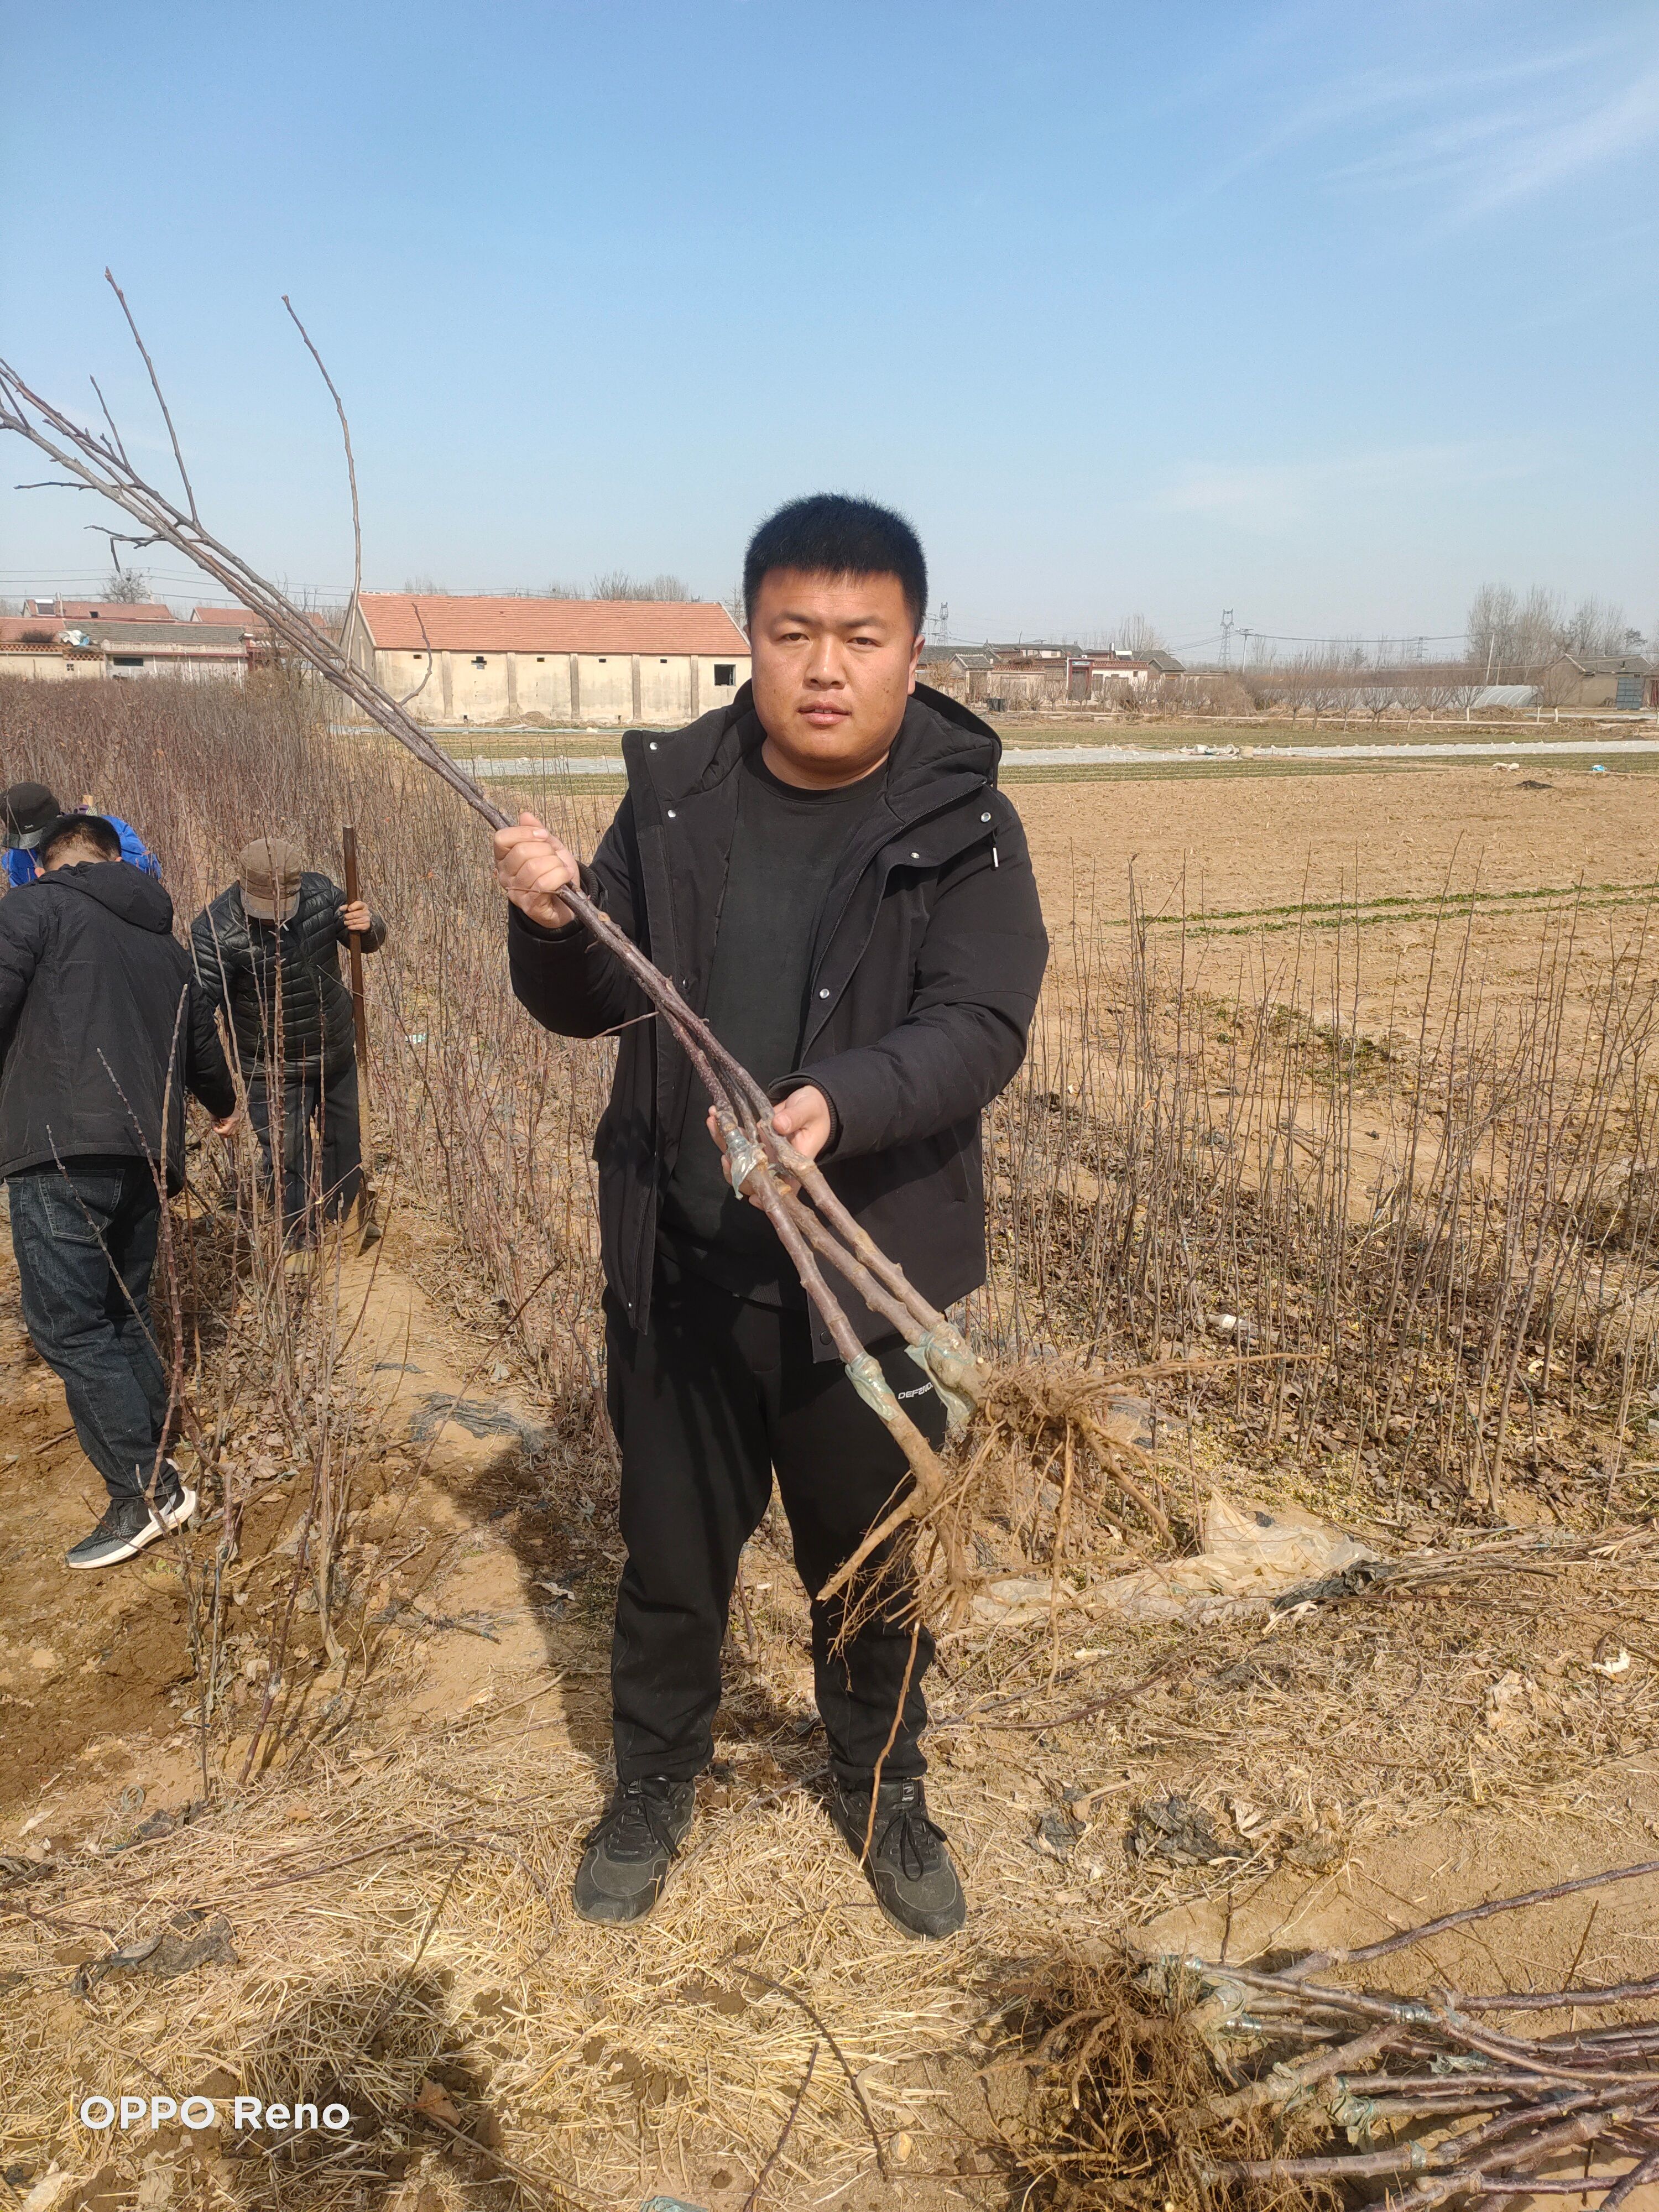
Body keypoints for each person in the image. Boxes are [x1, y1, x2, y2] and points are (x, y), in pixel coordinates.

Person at [496, 495, 1048, 1938]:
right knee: (672, 1576)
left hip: (868, 1289)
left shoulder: (965, 822)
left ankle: (885, 1804)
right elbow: (587, 1000)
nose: (824, 665)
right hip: (682, 1280)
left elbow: (983, 1024)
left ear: (913, 648)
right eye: (793, 632)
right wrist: (551, 922)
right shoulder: (674, 796)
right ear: (751, 637)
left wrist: (834, 1104)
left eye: (860, 638)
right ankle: (649, 1794)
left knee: (870, 1582)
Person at [0, 812, 237, 1569]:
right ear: (114, 859)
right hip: (146, 1151)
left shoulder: (34, 907)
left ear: (47, 864)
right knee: (121, 1311)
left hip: (60, 1148)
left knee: (70, 1327)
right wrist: (225, 1104)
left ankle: (146, 1492)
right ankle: (160, 1445)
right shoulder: (163, 943)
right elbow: (199, 1040)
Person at [190, 838, 385, 1241]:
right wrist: (212, 1089)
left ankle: (346, 1217)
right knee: (287, 1155)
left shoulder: (321, 894)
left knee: (344, 1143)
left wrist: (369, 927)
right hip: (271, 1068)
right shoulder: (214, 930)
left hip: (334, 1049)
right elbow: (198, 1011)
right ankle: (298, 1237)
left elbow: (366, 941)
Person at [2, 781, 160, 888]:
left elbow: (150, 872)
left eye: (40, 838)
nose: (37, 847)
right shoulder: (17, 860)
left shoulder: (110, 829)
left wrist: (96, 839)